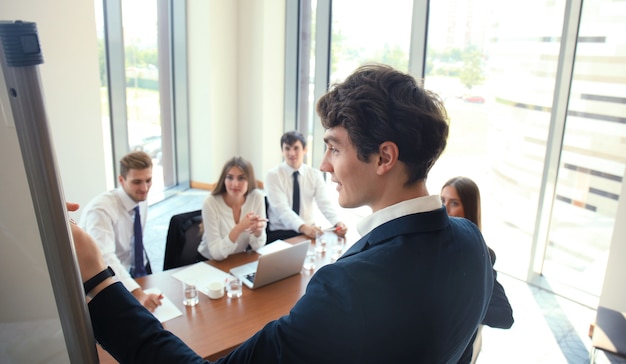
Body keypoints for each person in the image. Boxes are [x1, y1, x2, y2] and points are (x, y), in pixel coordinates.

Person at [72, 64, 493, 363]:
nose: (324, 164)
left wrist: (96, 279)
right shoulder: (472, 243)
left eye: (333, 146)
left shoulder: (347, 288)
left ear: (384, 157)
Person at [441, 176, 514, 363]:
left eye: (454, 203)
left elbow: (504, 316)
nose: (445, 208)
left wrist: (461, 306)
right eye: (442, 201)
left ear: (468, 210)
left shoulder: (481, 256)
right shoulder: (429, 244)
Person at [79, 151, 163, 312]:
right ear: (121, 180)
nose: (145, 188)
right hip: (105, 279)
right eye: (137, 182)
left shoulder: (140, 198)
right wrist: (138, 293)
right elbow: (105, 259)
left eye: (148, 180)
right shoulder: (100, 210)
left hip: (133, 268)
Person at [265, 130, 347, 242]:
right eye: (287, 149)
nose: (291, 153)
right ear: (282, 151)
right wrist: (303, 227)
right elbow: (281, 210)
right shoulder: (273, 175)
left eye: (296, 148)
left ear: (305, 150)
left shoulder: (314, 174)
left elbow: (324, 203)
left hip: (308, 231)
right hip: (280, 233)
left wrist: (337, 222)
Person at [196, 156, 267, 261]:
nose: (235, 184)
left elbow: (258, 247)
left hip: (237, 260)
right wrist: (239, 228)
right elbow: (216, 253)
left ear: (249, 180)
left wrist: (258, 233)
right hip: (210, 262)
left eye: (241, 178)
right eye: (230, 177)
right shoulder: (210, 203)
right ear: (224, 180)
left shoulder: (257, 197)